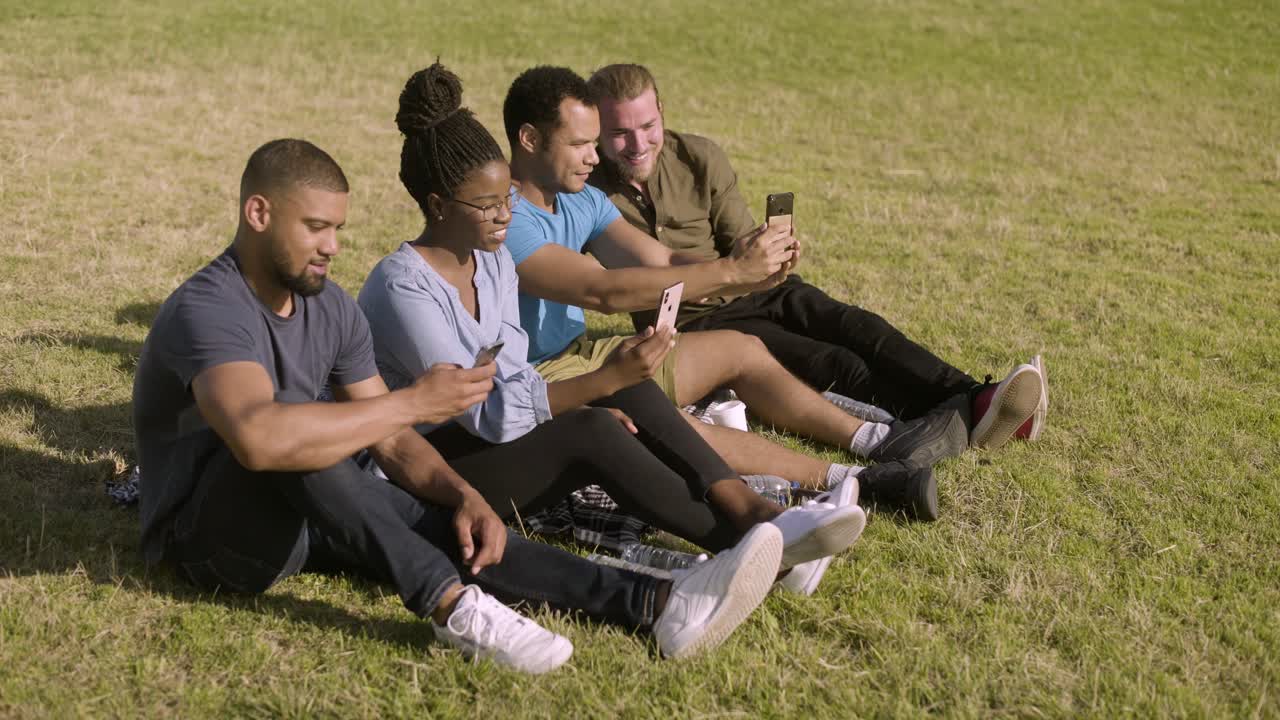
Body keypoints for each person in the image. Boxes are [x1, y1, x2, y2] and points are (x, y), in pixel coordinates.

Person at [131, 138, 791, 674]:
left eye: (338, 228)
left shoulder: (330, 306)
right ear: (258, 214)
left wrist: (461, 497)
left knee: (445, 519)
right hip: (211, 540)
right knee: (305, 441)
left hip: (317, 515)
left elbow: (392, 441)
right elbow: (258, 441)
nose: (333, 245)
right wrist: (414, 401)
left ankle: (657, 604)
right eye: (316, 227)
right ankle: (449, 603)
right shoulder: (208, 309)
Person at [358, 63, 876, 598]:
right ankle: (760, 545)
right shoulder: (403, 288)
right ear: (439, 206)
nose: (503, 216)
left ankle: (751, 509)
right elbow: (486, 415)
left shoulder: (489, 261)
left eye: (504, 203)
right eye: (488, 206)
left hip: (496, 435)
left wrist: (612, 378)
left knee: (626, 384)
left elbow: (512, 374)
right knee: (597, 420)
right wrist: (593, 388)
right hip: (433, 470)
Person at [499, 65, 963, 508]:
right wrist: (730, 273)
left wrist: (744, 267)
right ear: (530, 139)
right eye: (580, 143)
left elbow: (660, 261)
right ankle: (851, 481)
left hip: (583, 354)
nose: (594, 156)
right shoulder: (506, 219)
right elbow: (602, 292)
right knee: (667, 424)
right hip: (535, 380)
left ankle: (879, 440)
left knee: (742, 349)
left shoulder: (581, 201)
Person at [585, 62, 1048, 451]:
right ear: (596, 131)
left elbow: (740, 239)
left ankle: (974, 394)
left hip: (755, 288)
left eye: (648, 127)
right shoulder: (586, 193)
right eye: (620, 133)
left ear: (662, 112)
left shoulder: (698, 156)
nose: (638, 144)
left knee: (859, 326)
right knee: (831, 362)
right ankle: (961, 419)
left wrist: (770, 255)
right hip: (697, 321)